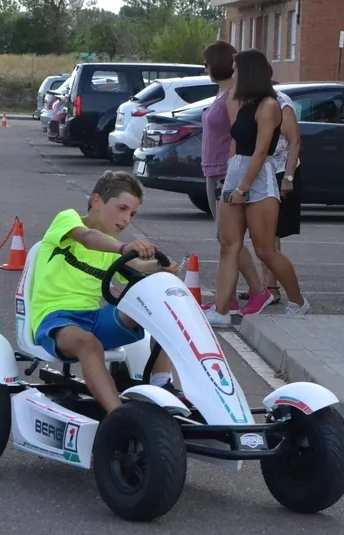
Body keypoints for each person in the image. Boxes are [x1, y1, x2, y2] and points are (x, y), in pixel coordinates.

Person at [29, 171, 181, 413]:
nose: (126, 219)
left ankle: (162, 384)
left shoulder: (112, 248)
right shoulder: (68, 220)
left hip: (93, 319)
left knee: (156, 307)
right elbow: (87, 237)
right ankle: (118, 417)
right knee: (88, 343)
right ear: (96, 201)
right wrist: (124, 248)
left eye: (132, 214)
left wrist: (161, 268)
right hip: (55, 318)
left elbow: (138, 268)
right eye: (122, 209)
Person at [205, 49, 309, 327]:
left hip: (259, 178)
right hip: (236, 173)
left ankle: (298, 301)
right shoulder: (240, 102)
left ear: (248, 72)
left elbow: (262, 151)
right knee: (228, 244)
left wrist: (243, 188)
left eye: (237, 70)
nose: (233, 74)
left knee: (265, 250)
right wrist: (230, 182)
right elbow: (236, 144)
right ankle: (221, 310)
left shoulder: (269, 105)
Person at [199, 40, 274, 317]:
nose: (205, 68)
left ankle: (256, 291)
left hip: (224, 172)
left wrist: (233, 176)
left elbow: (237, 136)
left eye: (206, 63)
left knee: (228, 239)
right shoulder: (223, 92)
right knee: (225, 238)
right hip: (214, 170)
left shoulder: (233, 95)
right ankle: (228, 298)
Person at [239, 88, 302, 306]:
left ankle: (272, 288)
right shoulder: (249, 99)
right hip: (260, 171)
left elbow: (295, 140)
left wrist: (288, 177)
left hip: (279, 172)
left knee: (270, 235)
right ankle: (267, 286)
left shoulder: (280, 101)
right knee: (264, 235)